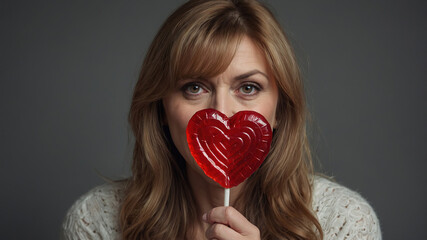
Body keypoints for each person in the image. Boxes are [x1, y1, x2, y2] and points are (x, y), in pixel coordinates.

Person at [61, 0, 381, 239]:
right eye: (195, 87)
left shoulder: (343, 223)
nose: (222, 113)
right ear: (160, 107)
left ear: (280, 110)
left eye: (248, 87)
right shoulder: (97, 223)